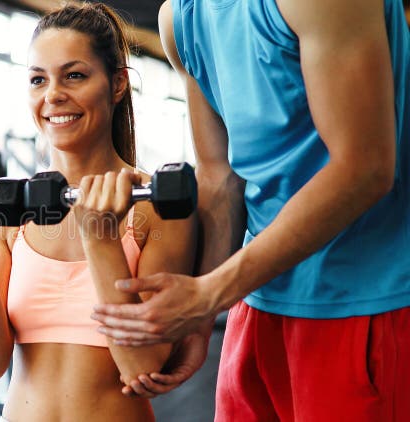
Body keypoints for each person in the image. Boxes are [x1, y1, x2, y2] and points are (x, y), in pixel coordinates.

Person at [91, 0, 410, 419]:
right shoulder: (180, 19)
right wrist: (199, 321)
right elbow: (220, 176)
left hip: (362, 302)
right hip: (257, 302)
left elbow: (365, 167)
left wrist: (210, 293)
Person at [0, 3, 197, 421]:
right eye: (38, 79)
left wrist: (101, 238)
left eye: (74, 75)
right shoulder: (10, 209)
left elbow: (142, 366)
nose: (53, 95)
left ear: (118, 83)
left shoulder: (155, 206)